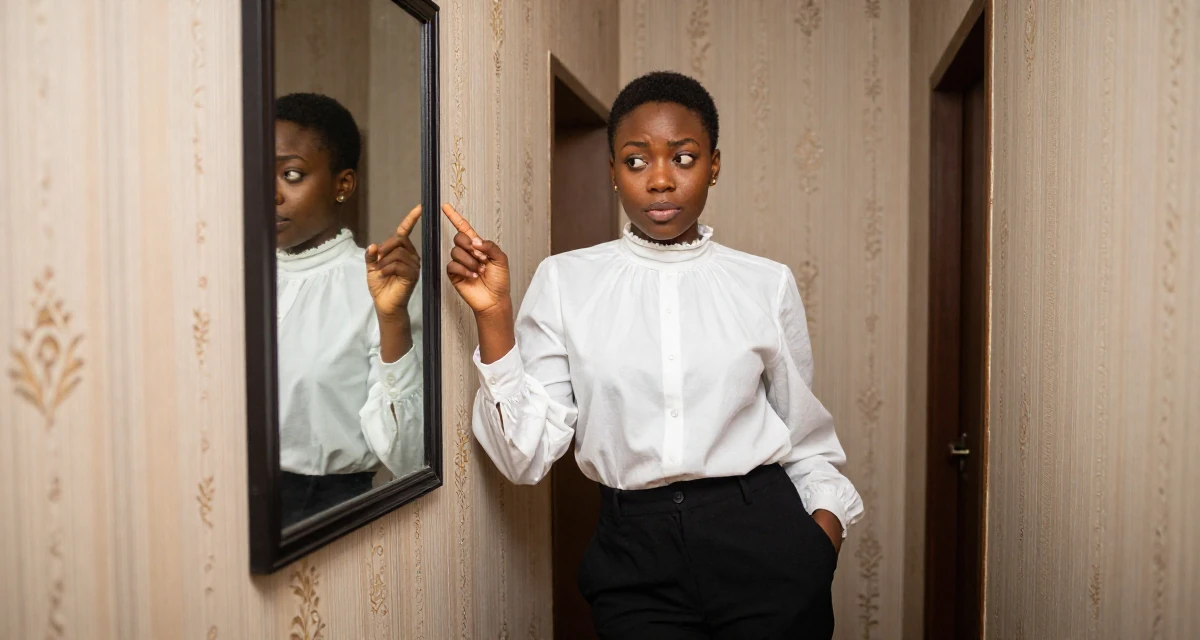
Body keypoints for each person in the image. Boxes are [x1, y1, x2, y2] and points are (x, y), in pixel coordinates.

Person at [443, 71, 863, 638]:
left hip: (767, 543)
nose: (660, 181)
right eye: (636, 161)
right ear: (613, 171)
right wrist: (492, 316)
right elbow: (525, 459)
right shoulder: (566, 280)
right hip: (633, 556)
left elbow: (806, 438)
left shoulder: (766, 284)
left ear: (714, 164)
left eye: (683, 159)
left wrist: (820, 541)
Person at [274, 92, 425, 528]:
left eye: (292, 174)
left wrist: (393, 318)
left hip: (326, 510)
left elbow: (408, 454)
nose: (272, 193)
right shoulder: (230, 284)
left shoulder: (374, 288)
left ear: (343, 184)